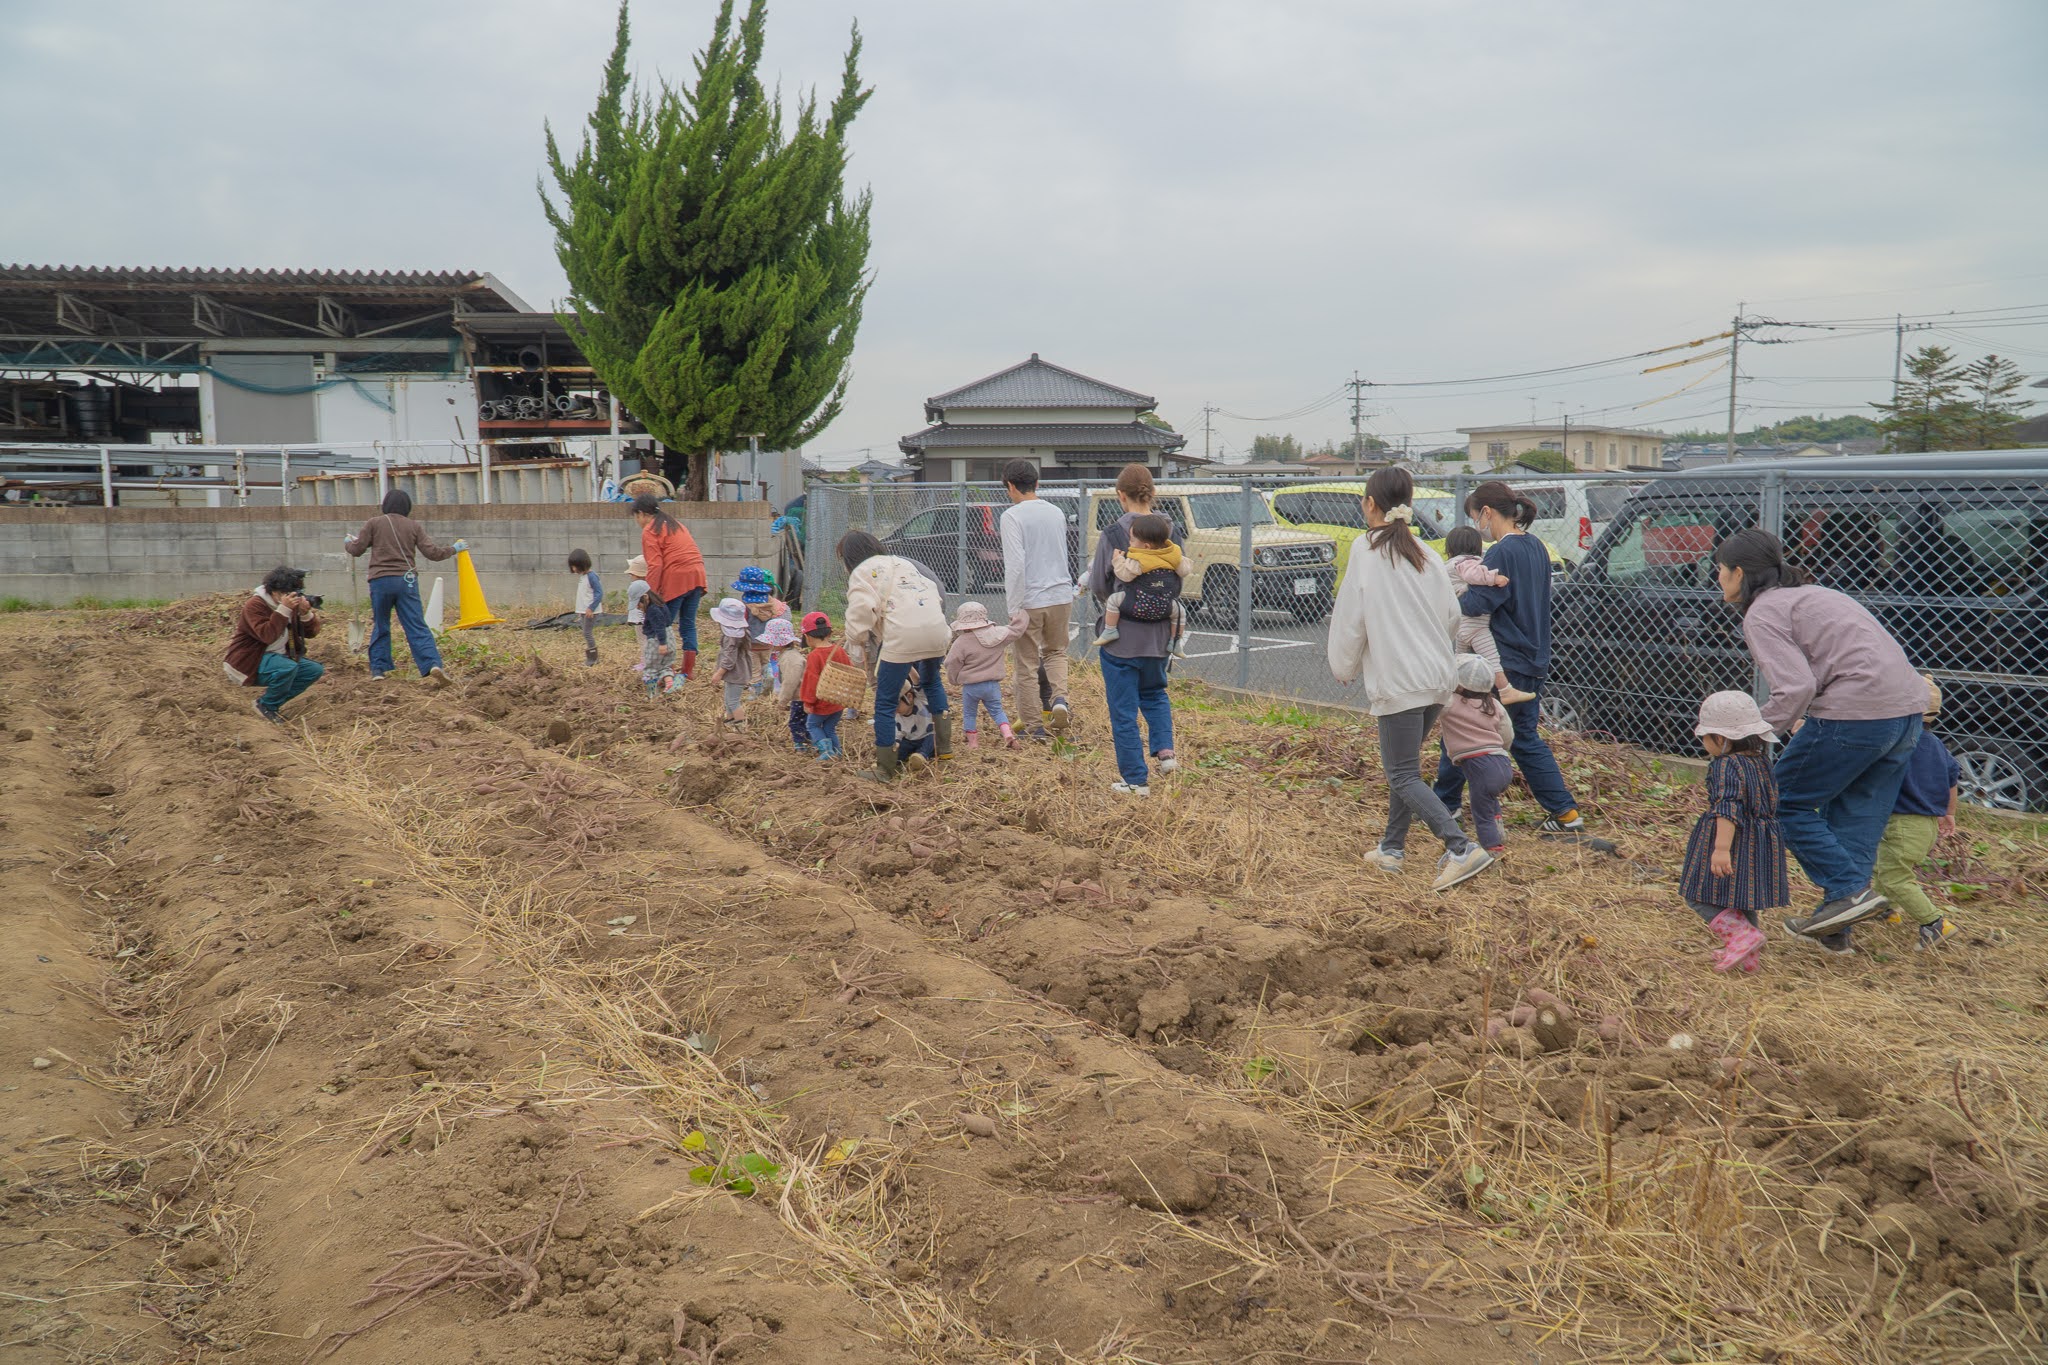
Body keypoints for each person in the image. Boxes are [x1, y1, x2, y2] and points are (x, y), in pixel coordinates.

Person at [1711, 529, 1930, 950]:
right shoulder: (1815, 594)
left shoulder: (1762, 612)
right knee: (1856, 820)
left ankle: (1849, 891)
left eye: (1719, 570)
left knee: (1776, 800)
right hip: (1905, 714)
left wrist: (1750, 740)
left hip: (1854, 715)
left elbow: (1795, 688)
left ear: (1739, 573)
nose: (1718, 578)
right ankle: (1837, 931)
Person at [1327, 467, 1494, 892]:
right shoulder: (1426, 551)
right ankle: (1392, 848)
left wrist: (1343, 665)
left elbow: (1350, 617)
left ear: (1370, 504)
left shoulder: (1366, 550)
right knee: (1406, 769)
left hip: (1400, 678)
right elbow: (1453, 616)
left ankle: (1461, 848)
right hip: (1437, 675)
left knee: (1401, 773)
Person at [1432, 482, 1583, 833]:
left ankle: (1445, 804)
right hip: (1534, 654)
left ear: (1486, 513)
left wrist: (1448, 599)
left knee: (1461, 728)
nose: (1476, 526)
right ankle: (1564, 813)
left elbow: (1477, 605)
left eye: (1474, 517)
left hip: (1502, 658)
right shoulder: (1537, 548)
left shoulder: (1501, 553)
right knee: (1523, 735)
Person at [1084, 465, 1180, 795]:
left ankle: (1136, 780)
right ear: (1152, 493)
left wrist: (1118, 602)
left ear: (1120, 496)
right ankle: (1166, 753)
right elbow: (1176, 582)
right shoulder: (1169, 530)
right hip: (1159, 637)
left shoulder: (1113, 534)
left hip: (1121, 639)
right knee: (1155, 694)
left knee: (1123, 710)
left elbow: (1098, 582)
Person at [1679, 691, 1787, 974]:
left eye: (1706, 736)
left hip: (1733, 837)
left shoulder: (1725, 766)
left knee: (1697, 894)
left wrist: (1721, 848)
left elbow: (1728, 807)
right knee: (1743, 895)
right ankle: (1748, 957)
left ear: (1722, 739)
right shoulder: (1761, 761)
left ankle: (1742, 937)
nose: (1703, 743)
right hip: (1760, 838)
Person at [840, 530, 953, 781]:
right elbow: (932, 588)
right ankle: (944, 750)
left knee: (885, 700)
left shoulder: (863, 571)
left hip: (902, 636)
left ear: (848, 558)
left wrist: (855, 640)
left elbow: (860, 613)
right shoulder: (901, 562)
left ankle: (885, 768)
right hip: (937, 629)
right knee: (932, 682)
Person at [1873, 678, 1962, 951]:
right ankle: (1887, 912)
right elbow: (1952, 781)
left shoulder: (1896, 743)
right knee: (1883, 868)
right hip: (1925, 825)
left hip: (1902, 823)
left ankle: (1935, 923)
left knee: (1895, 877)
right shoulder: (1937, 746)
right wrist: (1949, 813)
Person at [343, 489, 456, 683]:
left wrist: (348, 543)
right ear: (407, 507)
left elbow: (357, 549)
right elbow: (432, 553)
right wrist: (454, 549)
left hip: (380, 581)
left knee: (381, 625)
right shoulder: (413, 526)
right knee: (417, 626)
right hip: (406, 581)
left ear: (385, 505)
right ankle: (432, 664)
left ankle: (378, 669)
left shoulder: (374, 523)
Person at [999, 459, 1076, 739]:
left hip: (1031, 598)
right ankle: (1059, 701)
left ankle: (1034, 728)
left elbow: (1016, 565)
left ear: (1010, 486)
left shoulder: (1012, 516)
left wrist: (1014, 606)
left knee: (1027, 663)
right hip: (1061, 594)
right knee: (1056, 652)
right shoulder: (1055, 512)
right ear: (1037, 483)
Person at [1441, 526, 1535, 705]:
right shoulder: (1466, 562)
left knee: (1460, 659)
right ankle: (1506, 690)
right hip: (1475, 626)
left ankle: (1453, 689)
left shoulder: (1449, 565)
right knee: (1492, 659)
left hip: (1460, 624)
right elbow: (1474, 573)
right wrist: (1494, 578)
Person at [224, 565, 326, 722]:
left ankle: (270, 704)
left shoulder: (289, 604)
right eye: (286, 593)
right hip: (249, 662)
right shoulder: (255, 605)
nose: (291, 597)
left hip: (276, 658)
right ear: (274, 591)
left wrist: (305, 614)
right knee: (287, 667)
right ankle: (266, 706)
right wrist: (284, 609)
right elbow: (267, 636)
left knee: (313, 670)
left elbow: (311, 633)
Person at [1440, 654, 1518, 857]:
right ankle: (1499, 829)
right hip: (1502, 761)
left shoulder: (1449, 702)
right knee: (1490, 799)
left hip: (1480, 765)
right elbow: (1507, 732)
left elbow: (1431, 703)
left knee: (1480, 812)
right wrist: (1504, 747)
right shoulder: (1494, 705)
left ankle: (1493, 850)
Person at [633, 492, 708, 683]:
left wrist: (650, 594)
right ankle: (687, 671)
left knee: (663, 625)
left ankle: (667, 670)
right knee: (688, 624)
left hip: (677, 579)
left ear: (641, 514)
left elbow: (656, 565)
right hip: (697, 575)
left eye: (636, 516)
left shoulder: (650, 530)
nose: (637, 521)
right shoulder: (674, 523)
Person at [1092, 512, 1188, 653]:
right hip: (1165, 604)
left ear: (1146, 546)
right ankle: (1175, 641)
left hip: (1137, 602)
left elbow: (1124, 575)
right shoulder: (1173, 556)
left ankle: (1110, 630)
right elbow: (1184, 571)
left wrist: (1118, 560)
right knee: (1180, 612)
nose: (1129, 543)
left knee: (1112, 600)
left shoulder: (1139, 559)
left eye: (1132, 540)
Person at [945, 601, 1030, 749]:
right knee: (997, 711)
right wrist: (1022, 612)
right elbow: (1017, 630)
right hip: (992, 685)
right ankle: (1007, 733)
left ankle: (973, 743)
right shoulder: (998, 634)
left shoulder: (961, 642)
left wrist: (954, 679)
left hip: (971, 687)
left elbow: (951, 662)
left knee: (970, 714)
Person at [797, 611, 853, 760]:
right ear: (829, 633)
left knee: (812, 725)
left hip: (822, 703)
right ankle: (837, 752)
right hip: (838, 702)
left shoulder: (814, 656)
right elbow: (849, 671)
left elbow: (811, 681)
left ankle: (827, 752)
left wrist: (808, 702)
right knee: (829, 727)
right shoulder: (839, 650)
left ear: (807, 637)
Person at [705, 597, 756, 727]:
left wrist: (719, 673)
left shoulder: (731, 638)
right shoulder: (743, 632)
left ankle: (740, 726)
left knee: (733, 701)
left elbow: (729, 659)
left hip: (736, 673)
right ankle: (729, 722)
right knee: (728, 699)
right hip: (738, 672)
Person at [893, 667, 938, 773]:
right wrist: (895, 744)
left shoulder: (921, 699)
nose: (894, 710)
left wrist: (908, 666)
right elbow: (897, 733)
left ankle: (920, 757)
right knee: (900, 749)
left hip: (926, 736)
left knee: (932, 740)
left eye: (896, 704)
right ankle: (890, 762)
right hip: (909, 740)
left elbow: (917, 680)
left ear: (909, 697)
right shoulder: (897, 715)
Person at [624, 555, 657, 678]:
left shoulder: (638, 586)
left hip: (640, 619)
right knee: (645, 640)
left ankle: (647, 663)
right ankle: (645, 662)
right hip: (642, 618)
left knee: (644, 640)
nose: (630, 576)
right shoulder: (647, 585)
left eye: (631, 574)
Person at [569, 548, 601, 668]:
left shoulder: (592, 577)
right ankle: (591, 657)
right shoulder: (583, 576)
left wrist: (591, 608)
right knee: (586, 633)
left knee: (587, 633)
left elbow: (599, 593)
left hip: (590, 612)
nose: (573, 569)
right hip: (585, 611)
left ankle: (593, 658)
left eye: (575, 566)